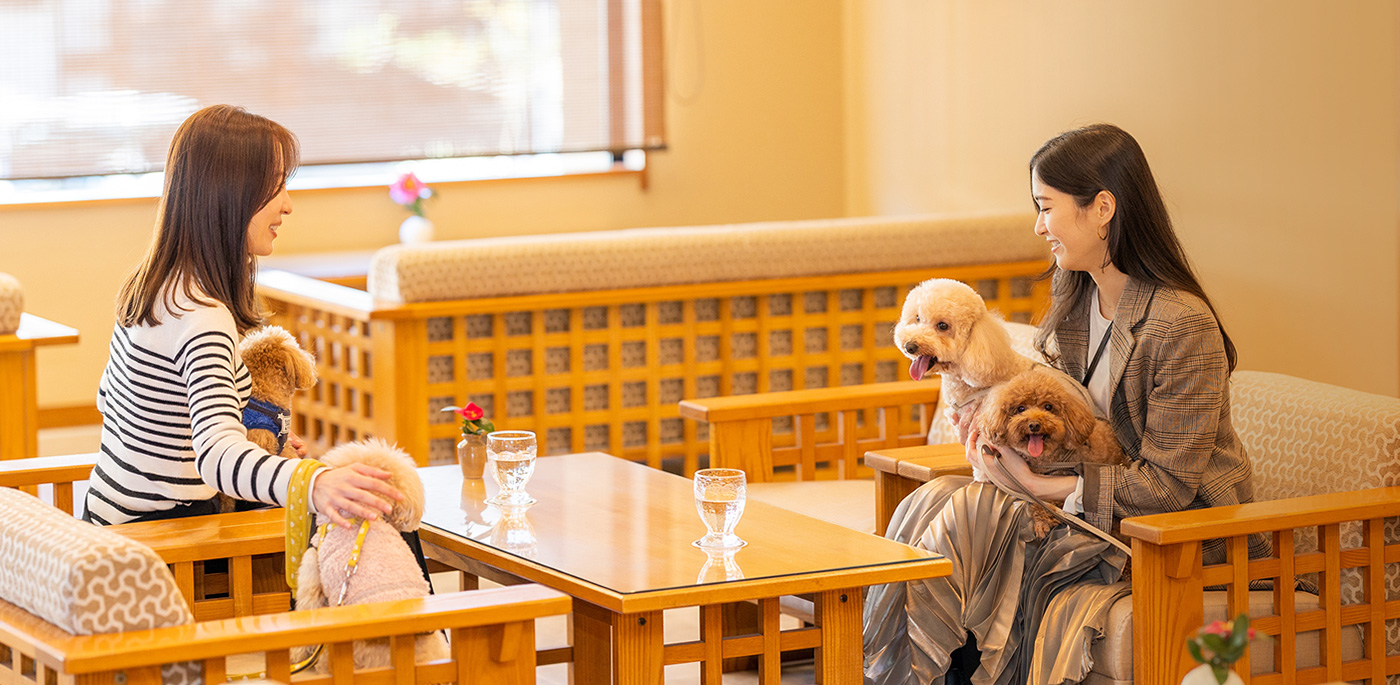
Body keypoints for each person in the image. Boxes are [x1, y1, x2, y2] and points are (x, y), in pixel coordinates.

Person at [864, 123, 1266, 685]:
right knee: (927, 503)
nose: (1038, 226)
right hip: (1086, 505)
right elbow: (1060, 419)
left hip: (1178, 532)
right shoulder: (1076, 297)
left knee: (967, 517)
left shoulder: (1181, 324)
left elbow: (1169, 486)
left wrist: (1045, 488)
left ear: (1102, 208)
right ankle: (901, 671)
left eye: (1046, 207)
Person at [84, 105, 403, 530]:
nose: (287, 205)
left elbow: (128, 409)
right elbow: (218, 459)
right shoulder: (202, 318)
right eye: (276, 187)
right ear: (229, 194)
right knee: (372, 522)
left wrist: (253, 432)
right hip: (163, 544)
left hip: (105, 525)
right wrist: (315, 482)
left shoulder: (154, 288)